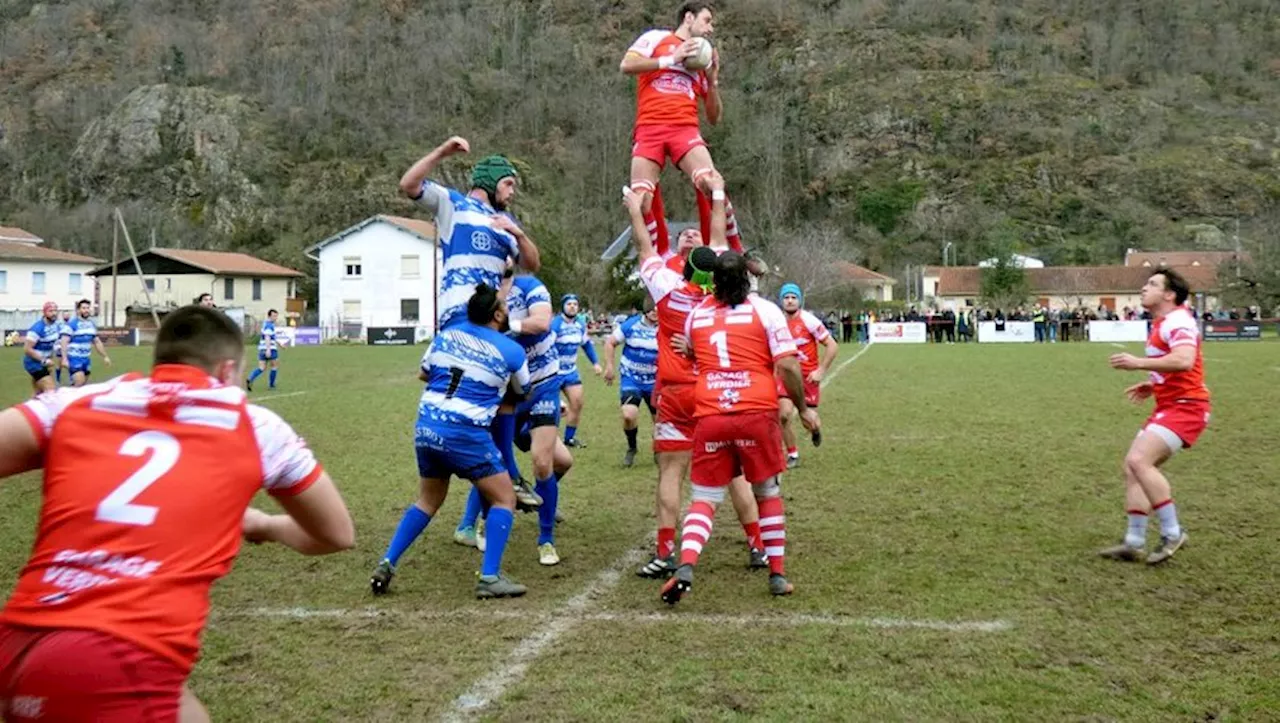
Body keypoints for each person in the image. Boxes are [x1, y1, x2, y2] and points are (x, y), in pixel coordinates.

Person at [0, 305, 355, 721]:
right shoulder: (254, 425)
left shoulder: (74, 403)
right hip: (115, 657)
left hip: (18, 643)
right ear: (227, 372)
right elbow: (337, 533)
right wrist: (263, 524)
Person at [624, 174, 768, 579]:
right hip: (715, 391)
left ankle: (666, 551)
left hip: (673, 392)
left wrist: (637, 209)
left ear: (685, 267)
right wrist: (717, 193)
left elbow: (644, 245)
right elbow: (718, 233)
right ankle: (758, 545)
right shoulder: (723, 296)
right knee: (733, 472)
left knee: (671, 471)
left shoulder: (666, 288)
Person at [661, 250, 818, 605]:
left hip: (712, 415)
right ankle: (777, 573)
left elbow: (696, 352)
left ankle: (685, 566)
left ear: (713, 282)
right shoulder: (765, 311)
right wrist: (803, 407)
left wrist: (692, 352)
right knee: (767, 493)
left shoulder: (697, 314)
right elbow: (790, 366)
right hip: (756, 412)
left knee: (704, 499)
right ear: (747, 280)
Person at [371, 283, 532, 598]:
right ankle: (489, 578)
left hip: (427, 427)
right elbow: (522, 391)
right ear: (498, 314)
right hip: (465, 431)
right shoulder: (511, 349)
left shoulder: (446, 335)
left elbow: (424, 373)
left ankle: (387, 562)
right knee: (504, 498)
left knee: (427, 501)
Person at [455, 273, 571, 566]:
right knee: (495, 462)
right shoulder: (483, 291)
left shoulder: (529, 286)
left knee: (547, 462)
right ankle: (476, 522)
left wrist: (507, 325)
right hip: (506, 390)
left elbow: (542, 322)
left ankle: (545, 540)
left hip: (542, 383)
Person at [620, 2, 745, 258]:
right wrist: (671, 59)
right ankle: (657, 259)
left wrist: (712, 81)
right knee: (641, 200)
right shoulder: (656, 38)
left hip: (684, 129)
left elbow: (714, 117)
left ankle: (738, 254)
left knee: (712, 184)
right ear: (689, 18)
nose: (710, 28)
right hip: (649, 128)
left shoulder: (701, 61)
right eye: (707, 20)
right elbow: (626, 65)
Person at [1102, 269, 1206, 565]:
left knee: (1139, 461)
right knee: (1132, 468)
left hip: (1187, 407)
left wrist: (1138, 364)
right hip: (1172, 404)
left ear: (1169, 294)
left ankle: (1173, 532)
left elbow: (1185, 360)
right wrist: (1155, 382)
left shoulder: (1178, 321)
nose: (1143, 288)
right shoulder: (1165, 322)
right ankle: (1134, 542)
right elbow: (1180, 363)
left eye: (1152, 284)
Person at [399, 136, 541, 329]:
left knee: (513, 357)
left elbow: (532, 264)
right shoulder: (454, 204)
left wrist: (520, 236)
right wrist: (441, 152)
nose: (512, 191)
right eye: (508, 184)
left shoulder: (506, 223)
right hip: (458, 311)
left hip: (490, 317)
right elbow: (408, 185)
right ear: (490, 182)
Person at [775, 284, 837, 469]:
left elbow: (832, 345)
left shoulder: (809, 321)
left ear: (799, 300)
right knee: (784, 415)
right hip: (785, 376)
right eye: (786, 297)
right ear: (781, 300)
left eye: (794, 297)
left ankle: (815, 430)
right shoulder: (776, 322)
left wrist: (821, 371)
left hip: (807, 378)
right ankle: (792, 454)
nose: (790, 300)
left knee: (808, 420)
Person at [603, 297, 660, 467]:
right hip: (631, 378)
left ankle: (658, 448)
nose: (655, 313)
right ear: (645, 311)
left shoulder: (666, 326)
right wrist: (610, 366)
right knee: (628, 415)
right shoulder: (631, 325)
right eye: (651, 310)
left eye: (657, 310)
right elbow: (610, 342)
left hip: (655, 380)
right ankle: (632, 447)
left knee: (660, 421)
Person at [552, 294, 602, 448]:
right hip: (553, 373)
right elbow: (545, 347)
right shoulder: (556, 324)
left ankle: (569, 439)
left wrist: (595, 363)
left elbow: (586, 345)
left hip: (570, 371)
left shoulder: (580, 324)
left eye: (575, 304)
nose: (572, 306)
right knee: (552, 409)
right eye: (569, 304)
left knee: (577, 403)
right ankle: (549, 439)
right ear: (563, 307)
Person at [59, 299, 112, 387]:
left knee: (82, 385)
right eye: (83, 308)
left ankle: (69, 396)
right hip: (74, 358)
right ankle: (67, 398)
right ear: (78, 310)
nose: (86, 310)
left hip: (86, 359)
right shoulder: (72, 324)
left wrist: (105, 356)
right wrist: (64, 359)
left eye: (88, 308)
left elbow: (97, 342)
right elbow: (64, 341)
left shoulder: (91, 324)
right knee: (79, 382)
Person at [22, 302, 63, 397]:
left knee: (38, 393)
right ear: (44, 312)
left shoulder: (56, 325)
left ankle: (28, 410)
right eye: (51, 311)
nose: (54, 313)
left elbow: (55, 342)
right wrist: (44, 360)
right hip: (33, 363)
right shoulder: (37, 328)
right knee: (51, 391)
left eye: (55, 310)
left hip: (45, 363)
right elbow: (27, 349)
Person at [246, 309, 280, 391]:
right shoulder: (269, 325)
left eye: (276, 316)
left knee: (261, 368)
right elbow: (268, 337)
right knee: (274, 366)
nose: (275, 318)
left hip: (261, 349)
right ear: (269, 316)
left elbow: (271, 337)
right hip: (270, 349)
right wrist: (268, 349)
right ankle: (271, 385)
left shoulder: (265, 324)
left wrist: (280, 344)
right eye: (274, 316)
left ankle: (250, 379)